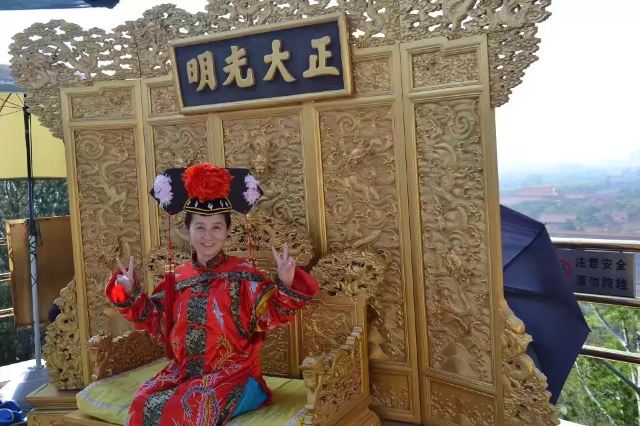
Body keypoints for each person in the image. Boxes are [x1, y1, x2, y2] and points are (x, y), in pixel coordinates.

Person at [104, 163, 319, 426]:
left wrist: (286, 282)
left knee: (189, 410)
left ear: (227, 232)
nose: (208, 236)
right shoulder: (177, 278)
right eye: (200, 227)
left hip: (235, 375)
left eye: (216, 227)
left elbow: (273, 316)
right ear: (188, 231)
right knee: (141, 404)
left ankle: (254, 394)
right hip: (185, 373)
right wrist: (129, 291)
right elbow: (156, 321)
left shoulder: (245, 275)